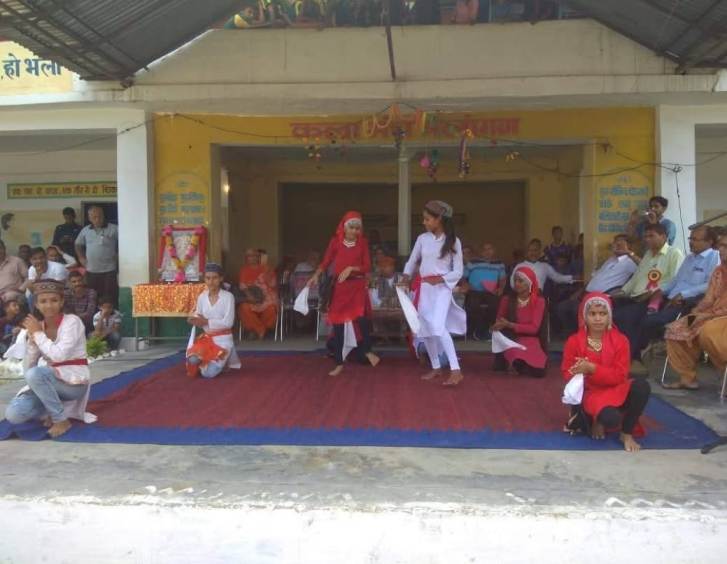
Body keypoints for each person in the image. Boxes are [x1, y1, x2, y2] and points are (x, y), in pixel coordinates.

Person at [562, 293, 651, 452]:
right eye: (592, 314)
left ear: (609, 316)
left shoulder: (621, 340)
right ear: (584, 316)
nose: (598, 319)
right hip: (590, 393)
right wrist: (578, 371)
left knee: (641, 387)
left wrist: (592, 369)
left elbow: (620, 376)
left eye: (602, 314)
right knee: (611, 419)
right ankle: (594, 418)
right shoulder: (574, 341)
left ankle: (626, 433)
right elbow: (567, 373)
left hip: (616, 389)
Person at [4, 280, 90, 438]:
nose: (49, 305)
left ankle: (60, 419)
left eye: (54, 300)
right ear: (36, 305)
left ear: (62, 302)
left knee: (36, 374)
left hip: (74, 384)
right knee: (14, 414)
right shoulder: (39, 326)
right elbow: (29, 368)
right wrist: (32, 342)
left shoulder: (72, 321)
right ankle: (51, 408)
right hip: (47, 381)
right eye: (43, 301)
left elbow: (59, 355)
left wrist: (38, 334)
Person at [402, 200, 466, 387]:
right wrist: (406, 276)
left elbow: (458, 271)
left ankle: (456, 370)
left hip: (442, 289)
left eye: (428, 219)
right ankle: (436, 367)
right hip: (425, 288)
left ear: (439, 219)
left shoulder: (453, 241)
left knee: (438, 326)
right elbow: (412, 260)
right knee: (425, 328)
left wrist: (440, 279)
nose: (424, 222)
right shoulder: (422, 239)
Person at [308, 211, 380, 376]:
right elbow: (326, 261)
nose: (355, 231)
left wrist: (351, 268)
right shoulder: (335, 242)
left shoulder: (362, 243)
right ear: (344, 228)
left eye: (357, 228)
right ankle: (339, 362)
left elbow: (367, 266)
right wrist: (315, 275)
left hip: (357, 287)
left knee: (362, 320)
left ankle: (367, 350)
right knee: (338, 324)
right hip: (340, 287)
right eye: (352, 228)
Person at [633, 225, 720, 360]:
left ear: (709, 242)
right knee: (634, 314)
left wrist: (684, 294)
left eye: (695, 239)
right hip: (669, 298)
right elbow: (676, 280)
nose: (691, 242)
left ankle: (639, 354)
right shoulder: (690, 258)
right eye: (690, 239)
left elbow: (710, 285)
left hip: (687, 304)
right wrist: (660, 290)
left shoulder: (715, 257)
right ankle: (639, 351)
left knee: (650, 321)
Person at [612, 223, 684, 374]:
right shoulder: (648, 254)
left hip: (656, 299)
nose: (647, 239)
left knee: (624, 317)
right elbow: (636, 278)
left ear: (663, 236)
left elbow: (675, 280)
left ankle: (634, 358)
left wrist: (653, 292)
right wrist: (622, 291)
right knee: (609, 311)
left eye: (651, 236)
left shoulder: (674, 253)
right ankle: (618, 356)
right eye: (645, 236)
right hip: (635, 297)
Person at [664, 230, 727, 390]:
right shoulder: (718, 271)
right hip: (709, 315)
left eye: (725, 246)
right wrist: (696, 312)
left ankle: (723, 372)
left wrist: (707, 316)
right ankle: (687, 377)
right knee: (676, 328)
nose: (721, 250)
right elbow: (709, 299)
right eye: (720, 246)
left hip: (722, 318)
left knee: (708, 332)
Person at [556, 234, 638, 334]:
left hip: (602, 298)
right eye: (615, 242)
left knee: (576, 309)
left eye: (620, 242)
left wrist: (629, 253)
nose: (617, 244)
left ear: (629, 245)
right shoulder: (610, 260)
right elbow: (594, 278)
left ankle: (582, 336)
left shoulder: (630, 262)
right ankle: (573, 335)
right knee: (562, 307)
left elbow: (644, 268)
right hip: (586, 295)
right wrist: (579, 292)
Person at [187, 263, 241, 379]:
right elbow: (199, 315)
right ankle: (209, 361)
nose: (211, 282)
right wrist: (194, 319)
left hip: (223, 340)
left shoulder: (228, 297)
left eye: (215, 278)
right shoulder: (202, 297)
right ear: (204, 279)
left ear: (221, 278)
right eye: (208, 278)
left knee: (207, 374)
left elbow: (228, 323)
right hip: (207, 339)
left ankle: (222, 360)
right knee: (192, 359)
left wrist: (206, 321)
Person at [493, 266, 548, 378]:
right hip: (511, 339)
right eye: (515, 281)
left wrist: (510, 324)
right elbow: (498, 321)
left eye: (520, 281)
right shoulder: (506, 300)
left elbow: (534, 329)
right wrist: (497, 326)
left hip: (532, 339)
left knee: (539, 372)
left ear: (529, 283)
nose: (517, 284)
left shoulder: (539, 301)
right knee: (517, 359)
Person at [75, 205, 119, 308]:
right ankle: (95, 316)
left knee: (110, 297)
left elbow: (124, 243)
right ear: (89, 218)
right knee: (93, 296)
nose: (98, 219)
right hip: (91, 271)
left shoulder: (114, 228)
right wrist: (81, 258)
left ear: (103, 216)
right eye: (94, 217)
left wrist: (118, 255)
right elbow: (77, 244)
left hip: (109, 270)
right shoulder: (85, 230)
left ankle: (112, 316)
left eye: (100, 216)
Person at [463, 242, 506, 340]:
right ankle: (476, 330)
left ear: (494, 251)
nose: (487, 251)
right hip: (474, 291)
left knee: (495, 306)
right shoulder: (473, 262)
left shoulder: (499, 264)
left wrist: (501, 288)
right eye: (484, 249)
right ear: (481, 252)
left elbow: (503, 279)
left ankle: (486, 330)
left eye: (489, 249)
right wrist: (466, 285)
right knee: (472, 305)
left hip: (491, 292)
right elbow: (463, 277)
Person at [238, 248, 278, 340]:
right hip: (251, 299)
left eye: (253, 256)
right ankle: (261, 330)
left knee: (271, 309)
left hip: (267, 299)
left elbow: (273, 284)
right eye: (248, 256)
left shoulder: (267, 269)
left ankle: (255, 331)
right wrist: (251, 297)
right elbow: (243, 287)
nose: (251, 258)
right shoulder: (244, 270)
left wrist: (266, 271)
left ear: (258, 257)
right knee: (243, 308)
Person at [510, 238, 575, 290]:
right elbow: (512, 284)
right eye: (530, 250)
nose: (533, 253)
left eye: (535, 250)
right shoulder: (519, 266)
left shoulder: (544, 266)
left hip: (538, 299)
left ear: (540, 252)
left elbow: (557, 277)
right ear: (527, 253)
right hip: (523, 299)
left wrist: (572, 277)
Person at [0, 239, 28, 305]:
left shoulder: (17, 261)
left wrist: (20, 289)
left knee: (10, 296)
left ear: (4, 248)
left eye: (0, 248)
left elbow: (28, 278)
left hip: (14, 293)